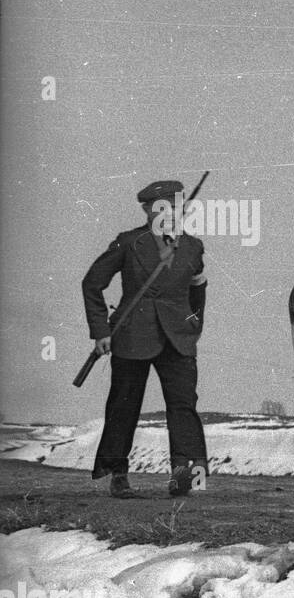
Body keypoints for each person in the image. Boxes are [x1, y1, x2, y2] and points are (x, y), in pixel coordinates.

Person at [82, 179, 210, 498]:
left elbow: (198, 290)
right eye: (160, 206)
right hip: (131, 337)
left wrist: (193, 325)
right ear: (146, 210)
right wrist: (100, 332)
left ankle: (185, 477)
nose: (169, 211)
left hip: (178, 340)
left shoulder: (193, 247)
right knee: (124, 405)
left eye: (174, 205)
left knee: (184, 406)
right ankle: (118, 476)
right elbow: (92, 284)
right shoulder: (128, 243)